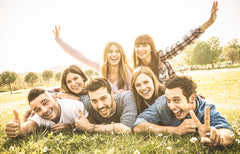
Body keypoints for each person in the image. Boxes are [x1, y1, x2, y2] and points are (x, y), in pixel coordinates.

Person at [133, 75, 234, 147]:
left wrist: (217, 137)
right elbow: (138, 126)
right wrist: (175, 130)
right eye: (168, 100)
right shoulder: (161, 104)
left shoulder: (206, 109)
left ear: (192, 98)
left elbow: (228, 134)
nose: (171, 106)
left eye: (176, 100)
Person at [132, 1, 218, 83]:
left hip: (170, 95)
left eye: (144, 45)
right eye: (138, 46)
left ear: (151, 47)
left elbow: (182, 43)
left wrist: (209, 22)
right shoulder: (136, 67)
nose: (141, 49)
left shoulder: (161, 57)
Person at [53, 26, 132, 93]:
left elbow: (132, 95)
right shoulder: (101, 67)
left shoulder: (127, 71)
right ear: (106, 55)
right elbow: (79, 56)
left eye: (117, 52)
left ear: (121, 55)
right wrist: (60, 41)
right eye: (110, 52)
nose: (114, 54)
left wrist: (123, 94)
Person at [5, 88, 88, 138]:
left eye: (45, 103)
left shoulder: (74, 107)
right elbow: (27, 127)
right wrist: (18, 131)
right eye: (37, 109)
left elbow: (91, 121)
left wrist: (71, 126)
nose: (44, 110)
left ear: (54, 99)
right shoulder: (38, 116)